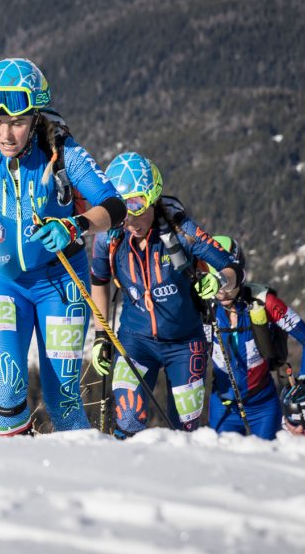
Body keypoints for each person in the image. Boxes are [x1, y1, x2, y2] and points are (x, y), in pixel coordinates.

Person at [0, 58, 126, 435]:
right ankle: (15, 461)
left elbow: (115, 207)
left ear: (35, 117)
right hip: (1, 280)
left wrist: (76, 225)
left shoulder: (62, 152)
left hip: (60, 281)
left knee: (63, 399)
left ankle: (84, 465)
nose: (6, 134)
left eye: (17, 122)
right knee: (6, 387)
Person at [89, 153, 241, 436]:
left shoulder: (181, 229)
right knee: (128, 420)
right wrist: (101, 335)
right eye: (121, 209)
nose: (130, 219)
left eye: (138, 206)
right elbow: (99, 280)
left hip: (185, 343)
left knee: (183, 430)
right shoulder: (109, 237)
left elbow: (232, 267)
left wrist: (220, 280)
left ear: (153, 199)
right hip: (135, 341)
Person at [205, 235, 305, 439]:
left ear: (239, 275)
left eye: (227, 282)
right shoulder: (203, 307)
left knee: (265, 459)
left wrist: (304, 380)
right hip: (222, 407)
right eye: (214, 283)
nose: (221, 292)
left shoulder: (265, 302)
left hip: (263, 408)